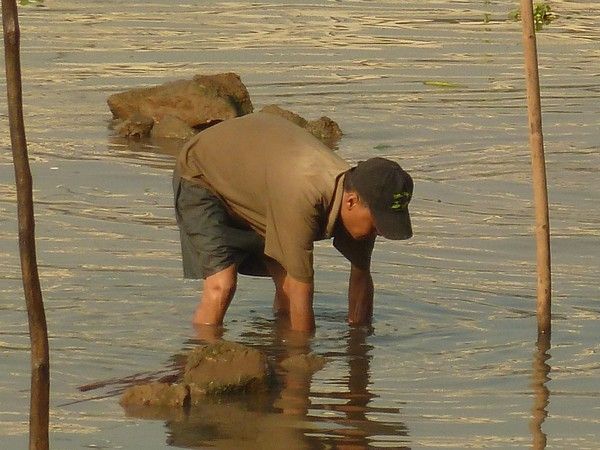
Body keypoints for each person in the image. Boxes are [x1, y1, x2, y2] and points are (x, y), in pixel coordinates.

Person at [173, 112, 413, 332]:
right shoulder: (304, 197)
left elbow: (360, 278)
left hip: (262, 180)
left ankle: (278, 351)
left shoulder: (362, 195)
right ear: (350, 202)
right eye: (377, 224)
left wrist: (359, 346)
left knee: (287, 284)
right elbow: (302, 290)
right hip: (204, 171)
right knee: (222, 283)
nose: (379, 232)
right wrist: (303, 360)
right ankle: (200, 360)